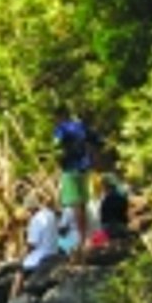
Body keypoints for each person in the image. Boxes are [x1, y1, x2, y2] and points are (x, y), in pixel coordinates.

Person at [53, 107, 100, 255]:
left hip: (70, 169)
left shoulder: (61, 128)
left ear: (59, 116)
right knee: (86, 202)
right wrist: (92, 156)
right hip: (85, 168)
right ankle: (94, 239)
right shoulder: (81, 126)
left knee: (76, 203)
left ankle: (83, 239)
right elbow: (97, 140)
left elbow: (56, 145)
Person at [11, 190, 61, 298]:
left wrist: (22, 257)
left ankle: (13, 300)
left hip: (40, 257)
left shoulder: (36, 219)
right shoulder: (51, 214)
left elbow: (31, 244)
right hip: (53, 252)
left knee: (19, 272)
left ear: (30, 208)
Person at [98, 172, 130, 240]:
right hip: (121, 226)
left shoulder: (105, 199)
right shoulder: (121, 196)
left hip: (109, 229)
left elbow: (103, 217)